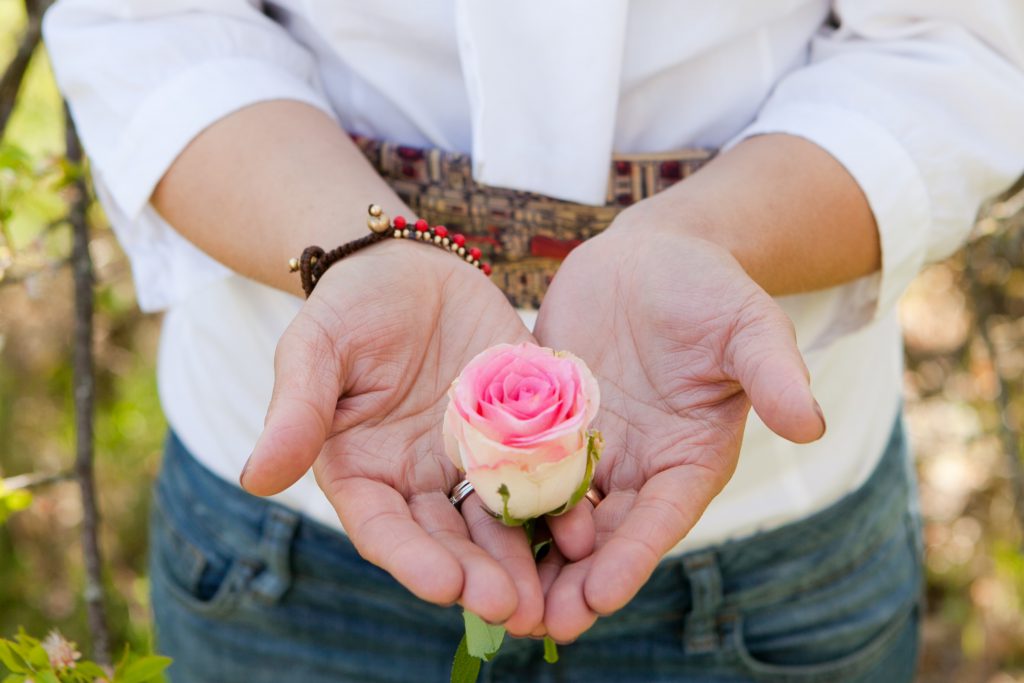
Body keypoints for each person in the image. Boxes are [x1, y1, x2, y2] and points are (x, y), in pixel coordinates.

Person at [43, 2, 1024, 681]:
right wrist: (355, 251)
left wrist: (704, 236)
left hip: (763, 540)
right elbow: (147, 19)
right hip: (302, 528)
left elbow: (957, 38)